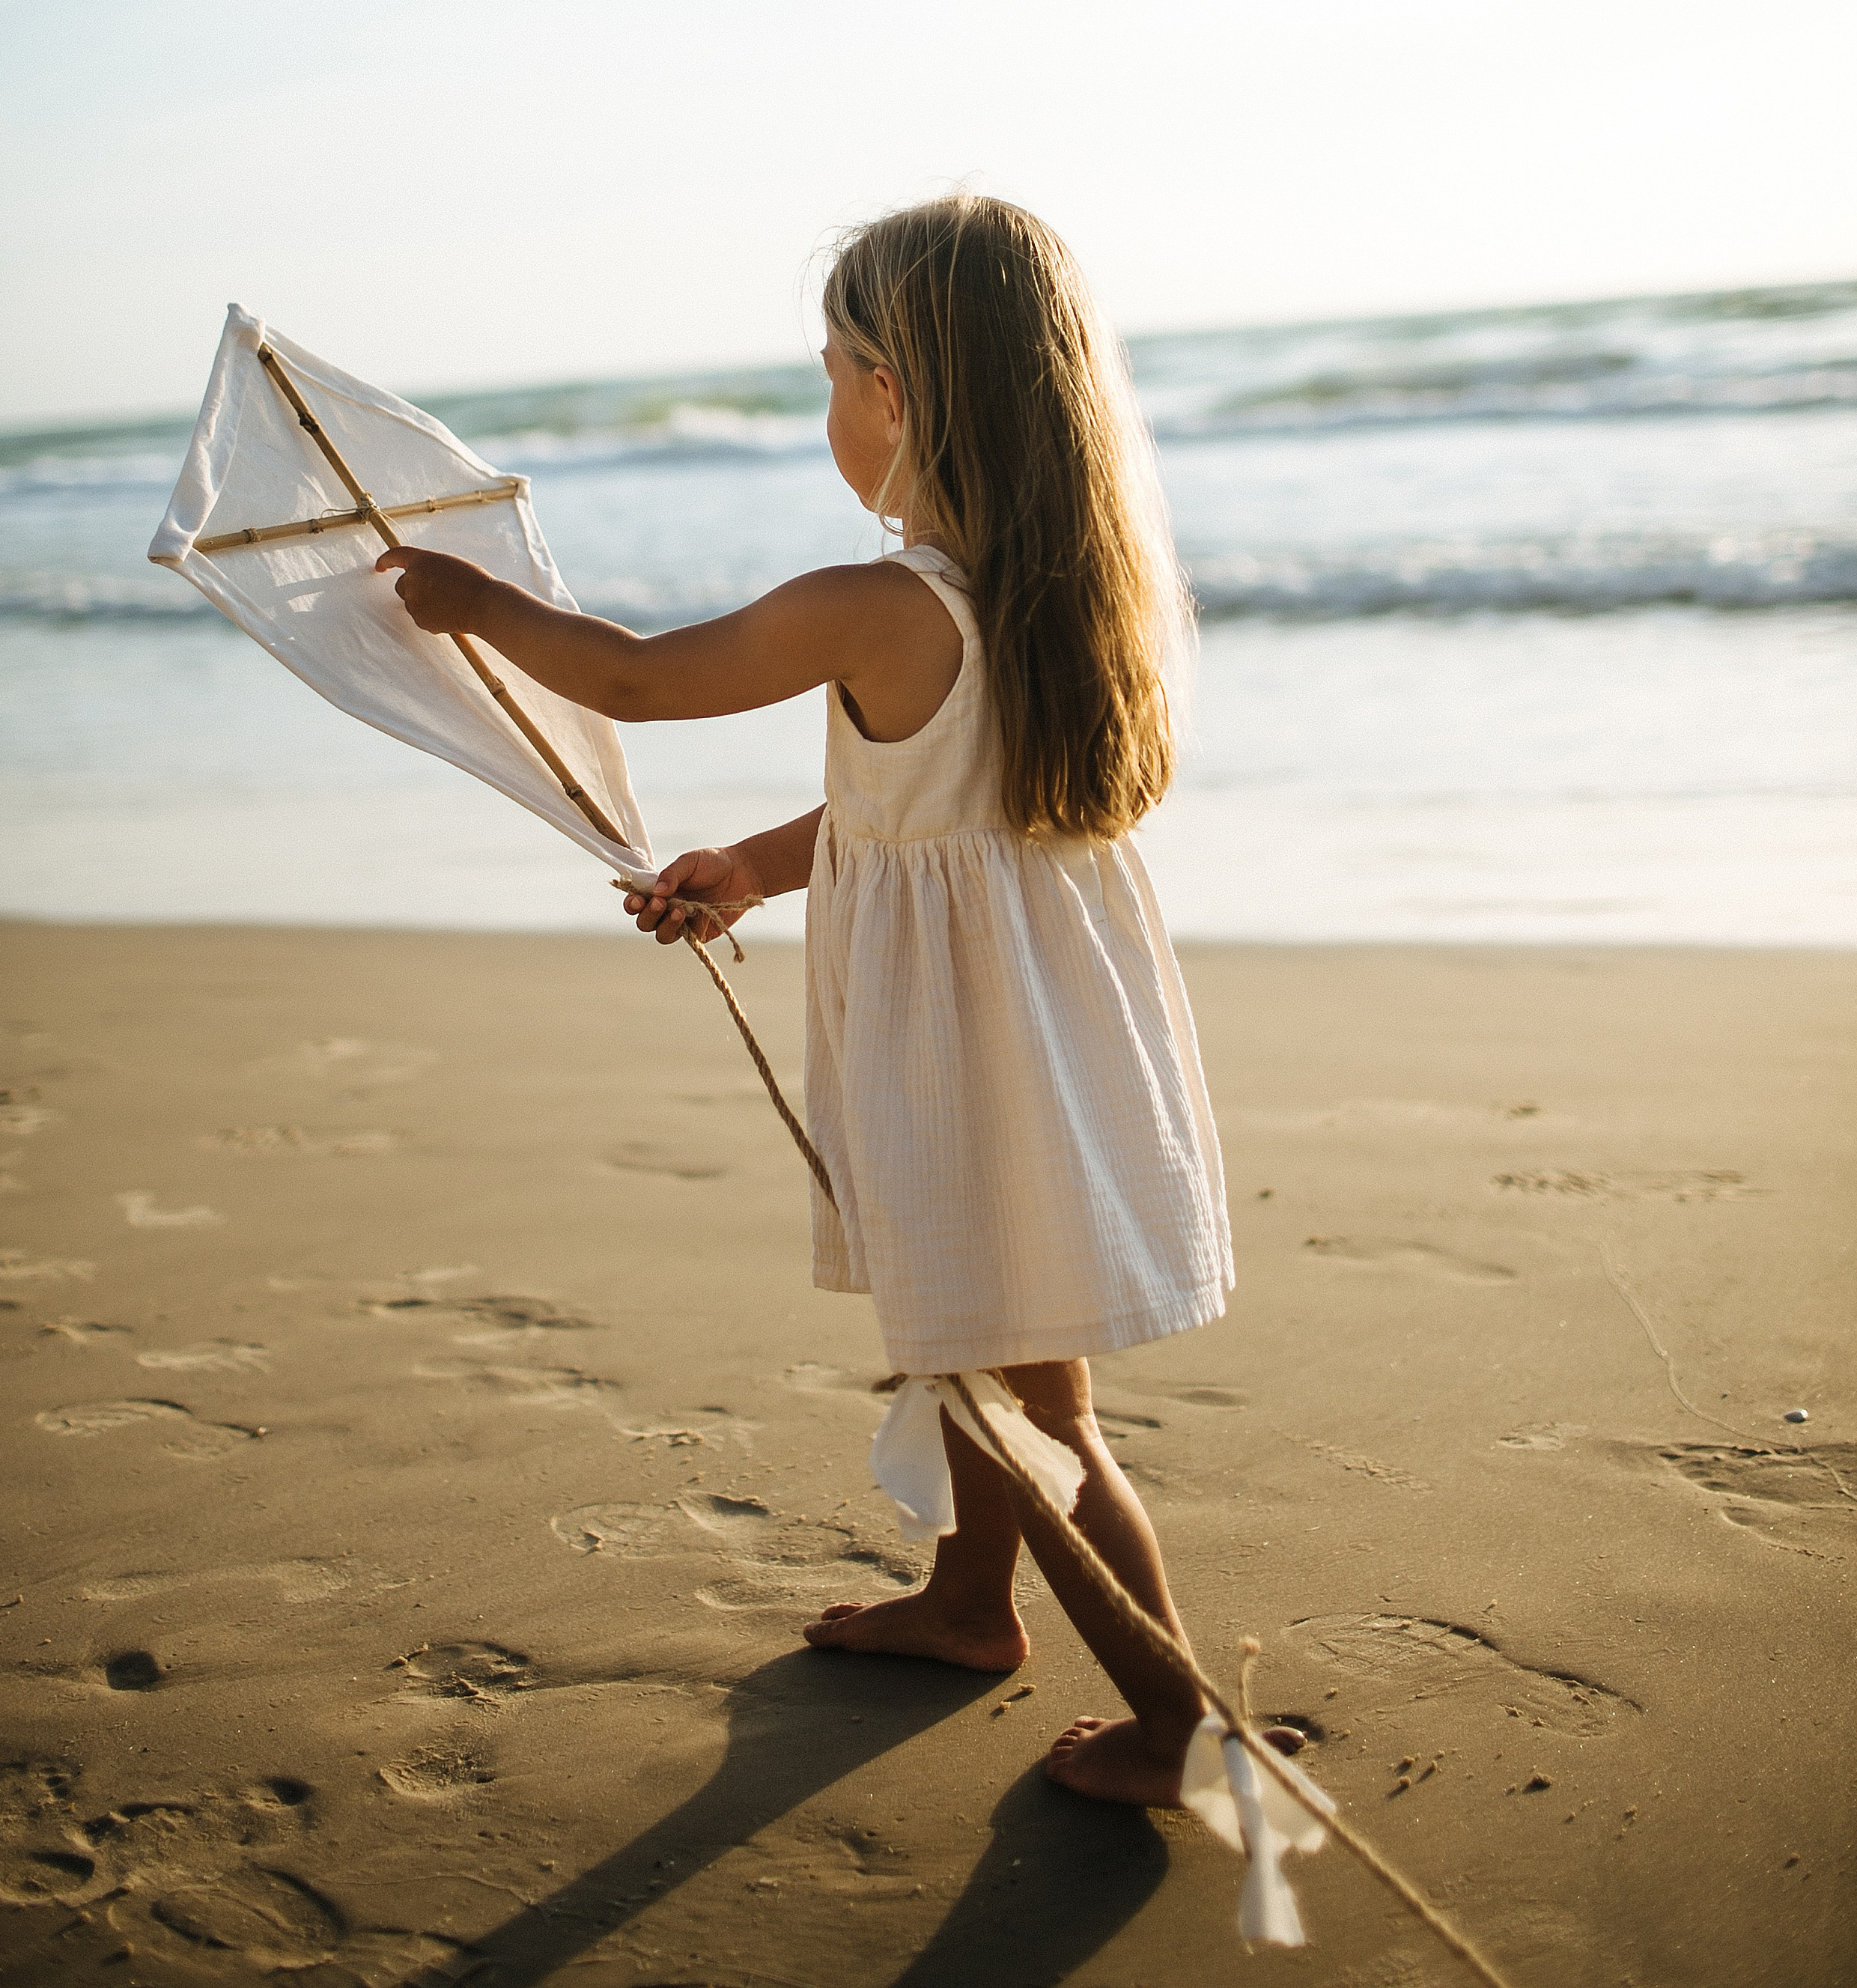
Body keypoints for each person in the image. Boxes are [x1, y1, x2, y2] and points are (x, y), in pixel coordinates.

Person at [377, 193, 1249, 1808]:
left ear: (901, 393)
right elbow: (929, 811)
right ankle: (972, 1604)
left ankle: (1171, 1716)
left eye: (836, 370)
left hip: (971, 1056)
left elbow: (635, 676)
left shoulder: (879, 604)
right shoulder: (1068, 594)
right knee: (974, 1344)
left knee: (1025, 1397)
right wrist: (760, 867)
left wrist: (472, 604)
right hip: (1053, 1041)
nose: (829, 408)